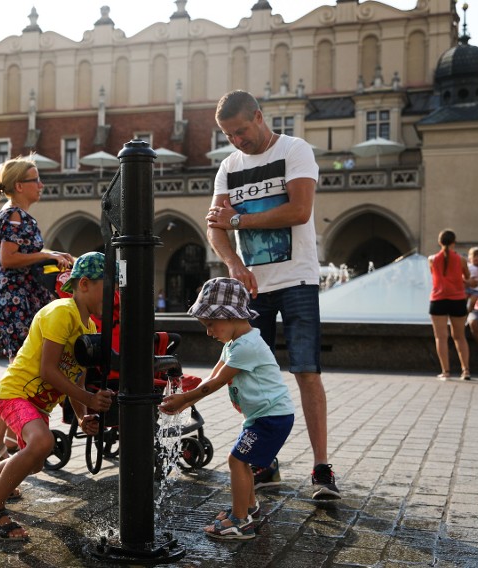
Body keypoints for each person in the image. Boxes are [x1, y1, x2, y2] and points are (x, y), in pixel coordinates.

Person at [205, 90, 339, 500]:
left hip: (297, 280)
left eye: (242, 131)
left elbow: (298, 210)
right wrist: (233, 264)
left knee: (306, 372)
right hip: (251, 289)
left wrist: (239, 219)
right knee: (244, 375)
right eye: (229, 135)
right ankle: (265, 461)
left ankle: (321, 469)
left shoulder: (295, 150)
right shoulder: (229, 166)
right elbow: (215, 226)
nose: (238, 141)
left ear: (259, 118)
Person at [0, 252, 113, 540]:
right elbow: (48, 371)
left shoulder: (90, 326)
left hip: (37, 404)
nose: (111, 298)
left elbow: (76, 376)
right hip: (17, 393)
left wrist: (83, 416)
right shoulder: (61, 313)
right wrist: (89, 397)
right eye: (107, 290)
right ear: (84, 284)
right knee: (42, 443)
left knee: (33, 461)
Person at [160, 278, 294, 540]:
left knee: (237, 461)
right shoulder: (234, 344)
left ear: (230, 316)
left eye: (211, 324)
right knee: (242, 462)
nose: (208, 332)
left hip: (272, 418)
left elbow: (218, 383)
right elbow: (212, 378)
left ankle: (240, 522)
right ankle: (248, 508)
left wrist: (184, 398)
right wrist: (186, 401)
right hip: (262, 417)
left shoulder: (247, 346)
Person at [0, 156, 74, 460]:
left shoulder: (18, 215)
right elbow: (8, 259)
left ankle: (5, 438)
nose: (41, 185)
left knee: (24, 367)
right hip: (17, 300)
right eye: (35, 179)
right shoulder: (14, 216)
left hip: (23, 298)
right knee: (24, 369)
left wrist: (49, 255)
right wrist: (47, 256)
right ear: (20, 185)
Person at [427, 230, 472, 381]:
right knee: (460, 337)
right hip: (457, 299)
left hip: (438, 299)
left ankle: (445, 372)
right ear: (454, 242)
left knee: (441, 337)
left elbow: (434, 276)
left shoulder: (432, 259)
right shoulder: (461, 260)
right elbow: (467, 277)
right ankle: (465, 371)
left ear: (439, 242)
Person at [465, 247, 478, 312]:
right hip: (467, 288)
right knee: (463, 303)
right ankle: (462, 315)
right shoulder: (467, 266)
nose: (476, 258)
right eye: (474, 256)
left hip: (477, 289)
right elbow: (463, 276)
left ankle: (468, 315)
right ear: (469, 257)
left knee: (472, 304)